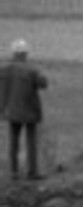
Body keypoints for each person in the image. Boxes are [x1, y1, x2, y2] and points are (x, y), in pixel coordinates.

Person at [0, 39, 48, 180]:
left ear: (13, 53)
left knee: (13, 142)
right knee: (31, 141)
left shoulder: (4, 70)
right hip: (30, 110)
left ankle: (13, 172)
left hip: (11, 110)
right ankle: (32, 171)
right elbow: (43, 84)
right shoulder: (32, 70)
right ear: (25, 53)